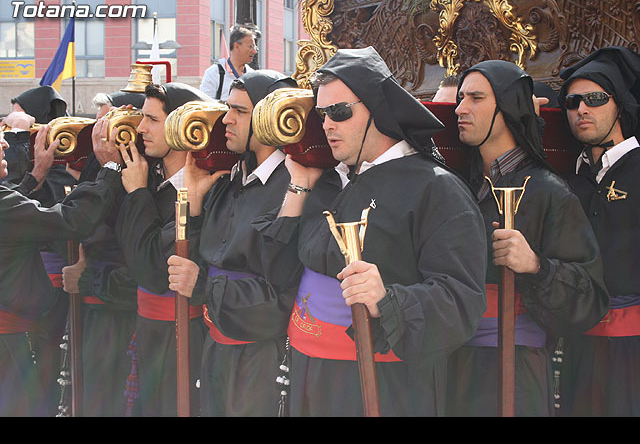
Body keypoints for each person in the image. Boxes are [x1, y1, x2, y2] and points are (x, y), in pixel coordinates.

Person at [252, 46, 487, 416]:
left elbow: (462, 299)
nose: (328, 123)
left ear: (377, 108)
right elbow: (279, 274)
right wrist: (299, 187)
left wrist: (387, 298)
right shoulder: (328, 181)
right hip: (308, 374)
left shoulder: (436, 187)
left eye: (340, 112)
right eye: (322, 114)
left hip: (384, 383)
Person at [446, 59, 608, 416]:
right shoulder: (455, 185)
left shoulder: (549, 192)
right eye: (460, 98)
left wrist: (536, 266)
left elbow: (592, 299)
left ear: (506, 107)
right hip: (448, 365)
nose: (460, 108)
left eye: (475, 98)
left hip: (511, 368)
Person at [167, 69, 302, 416]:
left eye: (240, 111)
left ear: (272, 117)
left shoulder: (297, 186)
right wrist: (194, 205)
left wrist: (205, 286)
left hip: (261, 356)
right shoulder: (230, 179)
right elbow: (200, 260)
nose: (226, 119)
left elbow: (283, 291)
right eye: (228, 108)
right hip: (216, 345)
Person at [0, 125, 124, 416]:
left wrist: (36, 176)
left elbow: (14, 214)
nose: (5, 146)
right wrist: (110, 170)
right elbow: (70, 220)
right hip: (9, 341)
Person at [114, 81, 221, 417]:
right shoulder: (149, 175)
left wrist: (136, 195)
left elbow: (147, 266)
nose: (141, 128)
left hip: (181, 334)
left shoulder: (204, 188)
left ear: (182, 126)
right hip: (149, 329)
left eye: (153, 120)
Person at [556, 46, 640, 416]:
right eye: (573, 103)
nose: (582, 110)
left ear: (619, 104)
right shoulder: (567, 182)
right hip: (577, 346)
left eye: (594, 99)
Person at [59, 90, 145, 416]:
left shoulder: (138, 171)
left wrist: (88, 280)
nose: (100, 135)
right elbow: (76, 221)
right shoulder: (104, 163)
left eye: (111, 124)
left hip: (122, 316)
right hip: (94, 314)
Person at [200, 24, 259, 100]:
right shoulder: (214, 73)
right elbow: (205, 104)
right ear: (236, 46)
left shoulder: (252, 76)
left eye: (255, 47)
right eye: (250, 46)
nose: (254, 51)